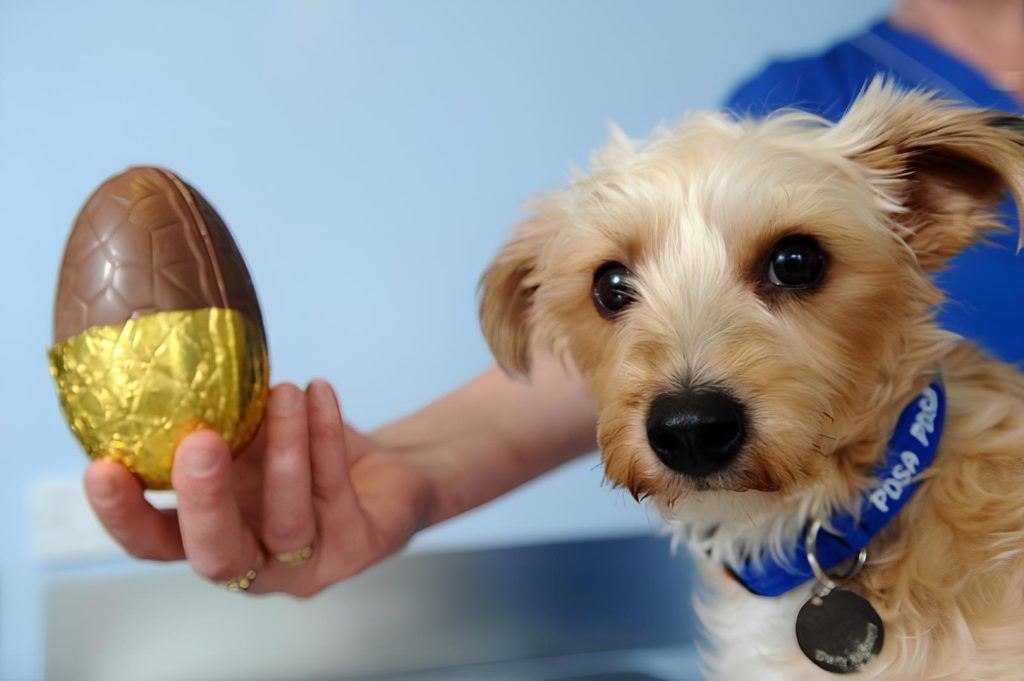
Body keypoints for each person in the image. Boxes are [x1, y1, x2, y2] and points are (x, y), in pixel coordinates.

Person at [84, 0, 1024, 597]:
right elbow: (578, 372)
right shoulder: (791, 101)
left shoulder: (880, 147)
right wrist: (396, 471)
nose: (689, 397)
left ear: (937, 205)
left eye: (790, 266)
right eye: (615, 287)